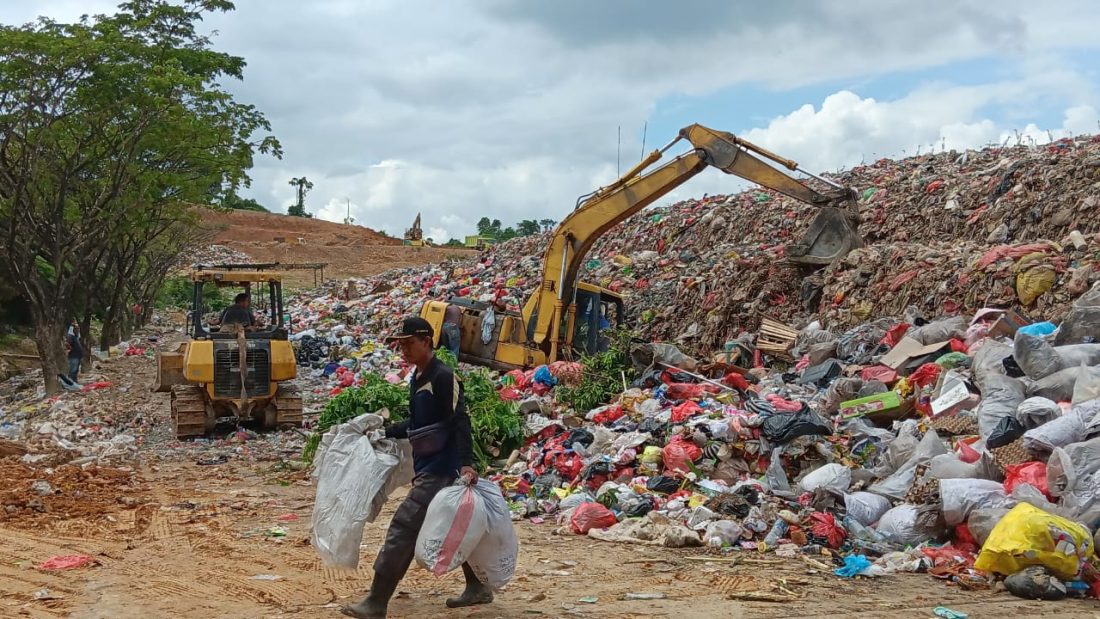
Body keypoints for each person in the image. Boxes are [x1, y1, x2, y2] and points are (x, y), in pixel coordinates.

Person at [341, 316, 490, 619]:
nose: (404, 350)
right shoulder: (418, 377)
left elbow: (460, 420)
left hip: (443, 469)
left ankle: (376, 601)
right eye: (401, 345)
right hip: (428, 466)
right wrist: (386, 432)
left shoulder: (443, 377)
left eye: (409, 344)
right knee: (452, 526)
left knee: (405, 526)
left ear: (426, 341)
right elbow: (418, 423)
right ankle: (478, 586)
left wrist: (465, 464)